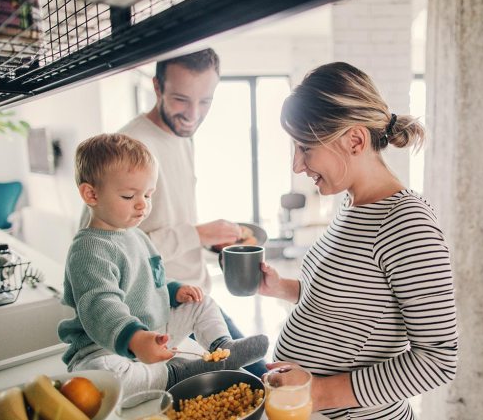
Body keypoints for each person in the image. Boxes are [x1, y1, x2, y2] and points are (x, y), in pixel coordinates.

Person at [259, 62, 458, 419]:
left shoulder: (407, 223)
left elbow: (437, 360)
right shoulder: (352, 204)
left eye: (305, 148)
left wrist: (316, 392)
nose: (297, 165)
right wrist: (282, 288)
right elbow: (348, 304)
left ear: (354, 140)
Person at [80, 48, 267, 376]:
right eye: (181, 99)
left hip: (193, 296)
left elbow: (164, 221)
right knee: (250, 383)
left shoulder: (181, 137)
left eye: (205, 101)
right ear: (157, 87)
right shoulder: (129, 146)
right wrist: (197, 233)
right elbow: (104, 243)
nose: (193, 114)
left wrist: (210, 244)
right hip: (158, 314)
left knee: (259, 377)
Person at [59, 133, 268, 396]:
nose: (142, 205)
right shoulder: (89, 250)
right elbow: (101, 306)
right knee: (106, 377)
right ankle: (176, 373)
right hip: (104, 347)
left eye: (148, 195)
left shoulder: (135, 235)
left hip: (153, 331)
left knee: (200, 301)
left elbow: (151, 279)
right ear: (91, 194)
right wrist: (135, 339)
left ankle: (222, 347)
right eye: (128, 196)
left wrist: (174, 290)